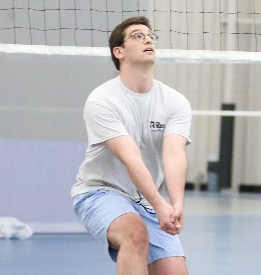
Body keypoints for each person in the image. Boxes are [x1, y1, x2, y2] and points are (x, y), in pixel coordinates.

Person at [71, 16, 192, 275]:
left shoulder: (175, 101)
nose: (148, 39)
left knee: (174, 270)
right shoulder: (102, 100)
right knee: (134, 232)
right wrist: (160, 205)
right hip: (99, 191)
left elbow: (173, 153)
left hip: (143, 198)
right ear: (119, 52)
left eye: (150, 35)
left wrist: (176, 203)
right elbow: (131, 158)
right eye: (138, 36)